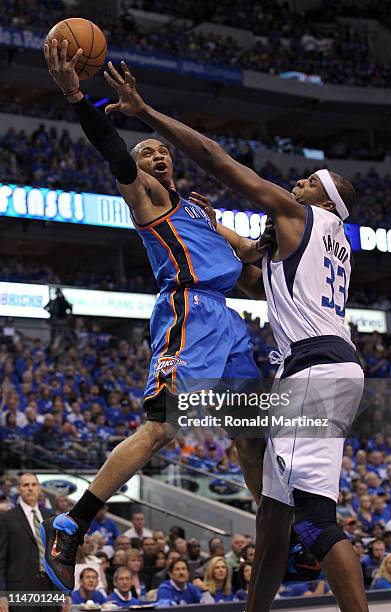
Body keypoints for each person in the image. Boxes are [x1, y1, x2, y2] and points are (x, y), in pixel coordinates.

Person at [100, 61, 368, 612]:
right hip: (335, 367)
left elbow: (219, 161)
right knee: (272, 517)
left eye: (307, 182)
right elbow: (248, 266)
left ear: (322, 201)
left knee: (314, 521)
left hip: (312, 371)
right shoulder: (322, 242)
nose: (296, 183)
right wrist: (207, 221)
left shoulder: (300, 216)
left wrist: (146, 112)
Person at [41, 37, 265, 594]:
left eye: (160, 151)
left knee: (251, 436)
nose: (157, 155)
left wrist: (305, 224)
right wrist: (78, 100)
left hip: (229, 321)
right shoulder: (147, 199)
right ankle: (74, 523)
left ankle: (275, 528)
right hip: (189, 312)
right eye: (148, 155)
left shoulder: (197, 208)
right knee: (162, 427)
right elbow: (114, 152)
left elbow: (251, 255)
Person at [0, 473, 60, 612]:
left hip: (50, 587)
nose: (30, 488)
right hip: (20, 588)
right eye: (25, 485)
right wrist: (1, 593)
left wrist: (64, 592)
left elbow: (58, 557)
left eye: (34, 484)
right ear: (19, 489)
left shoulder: (50, 517)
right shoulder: (6, 518)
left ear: (39, 488)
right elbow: (1, 559)